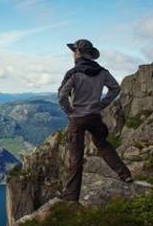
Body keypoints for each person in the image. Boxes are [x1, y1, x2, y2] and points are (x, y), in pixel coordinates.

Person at [57, 39, 133, 202]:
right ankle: (124, 174)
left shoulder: (73, 73)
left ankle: (71, 197)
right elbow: (115, 88)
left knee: (75, 157)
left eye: (73, 52)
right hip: (94, 117)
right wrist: (102, 104)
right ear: (90, 55)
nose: (72, 55)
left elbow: (62, 94)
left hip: (77, 118)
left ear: (78, 53)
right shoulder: (102, 72)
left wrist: (68, 110)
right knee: (103, 145)